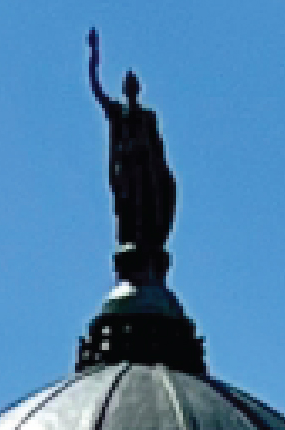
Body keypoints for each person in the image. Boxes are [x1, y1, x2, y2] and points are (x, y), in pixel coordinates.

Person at [87, 30, 176, 268]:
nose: (132, 89)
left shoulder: (148, 117)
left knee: (149, 205)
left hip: (147, 171)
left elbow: (158, 149)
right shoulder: (118, 113)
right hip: (128, 172)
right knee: (130, 208)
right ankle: (132, 245)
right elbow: (97, 90)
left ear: (139, 89)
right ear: (126, 90)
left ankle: (149, 244)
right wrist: (94, 57)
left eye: (134, 86)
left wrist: (162, 173)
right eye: (129, 86)